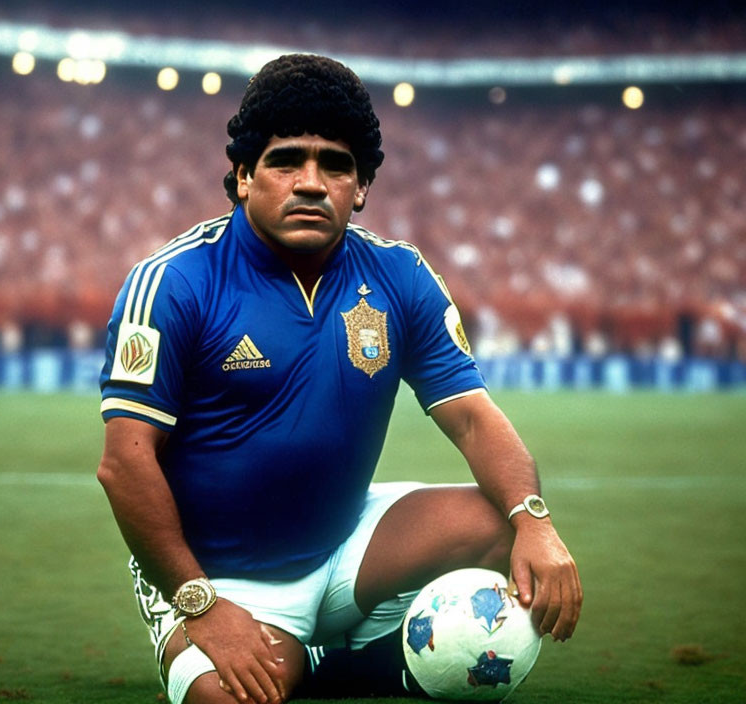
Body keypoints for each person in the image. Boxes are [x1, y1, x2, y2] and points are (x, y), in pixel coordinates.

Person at [97, 53, 581, 704]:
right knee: (225, 697)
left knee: (503, 531)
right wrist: (200, 605)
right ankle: (331, 659)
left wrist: (537, 522)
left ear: (361, 187)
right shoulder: (175, 282)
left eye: (336, 165)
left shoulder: (400, 275)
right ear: (243, 176)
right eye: (285, 161)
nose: (310, 183)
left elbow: (472, 416)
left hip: (346, 539)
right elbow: (125, 465)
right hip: (220, 575)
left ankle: (340, 662)